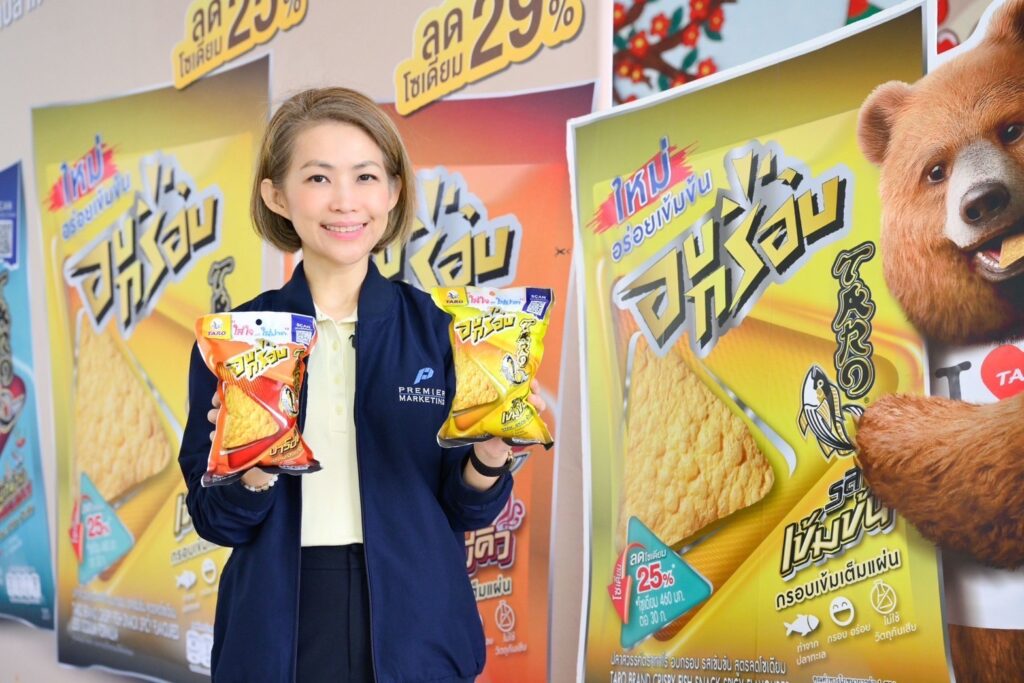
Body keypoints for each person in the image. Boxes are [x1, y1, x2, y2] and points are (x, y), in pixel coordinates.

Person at [178, 87, 545, 683]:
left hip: (419, 627)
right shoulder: (235, 341)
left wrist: (490, 454)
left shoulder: (443, 331)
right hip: (278, 630)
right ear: (277, 195)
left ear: (393, 191)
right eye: (318, 178)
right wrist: (254, 468)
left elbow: (466, 509)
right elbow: (216, 521)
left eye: (366, 176)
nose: (345, 201)